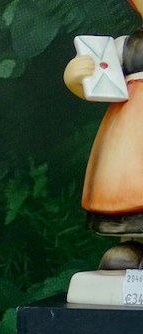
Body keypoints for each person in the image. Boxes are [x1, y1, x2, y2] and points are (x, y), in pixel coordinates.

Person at [64, 0, 143, 268]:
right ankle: (133, 248)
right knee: (131, 190)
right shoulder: (123, 47)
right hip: (129, 138)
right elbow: (99, 83)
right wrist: (76, 78)